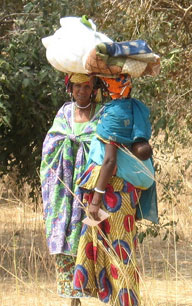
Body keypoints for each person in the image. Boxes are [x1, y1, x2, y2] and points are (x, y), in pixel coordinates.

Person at [72, 74, 158, 305]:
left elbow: (109, 161)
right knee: (102, 246)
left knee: (119, 254)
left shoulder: (115, 113)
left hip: (112, 194)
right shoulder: (132, 108)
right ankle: (79, 297)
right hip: (122, 193)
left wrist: (96, 200)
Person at [41, 73, 103, 306]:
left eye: (86, 86)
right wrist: (70, 141)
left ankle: (88, 291)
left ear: (93, 88)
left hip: (90, 190)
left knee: (88, 237)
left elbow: (105, 147)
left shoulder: (101, 114)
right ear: (71, 88)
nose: (81, 91)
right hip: (63, 191)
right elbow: (50, 146)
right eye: (77, 86)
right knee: (66, 238)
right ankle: (72, 298)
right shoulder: (64, 113)